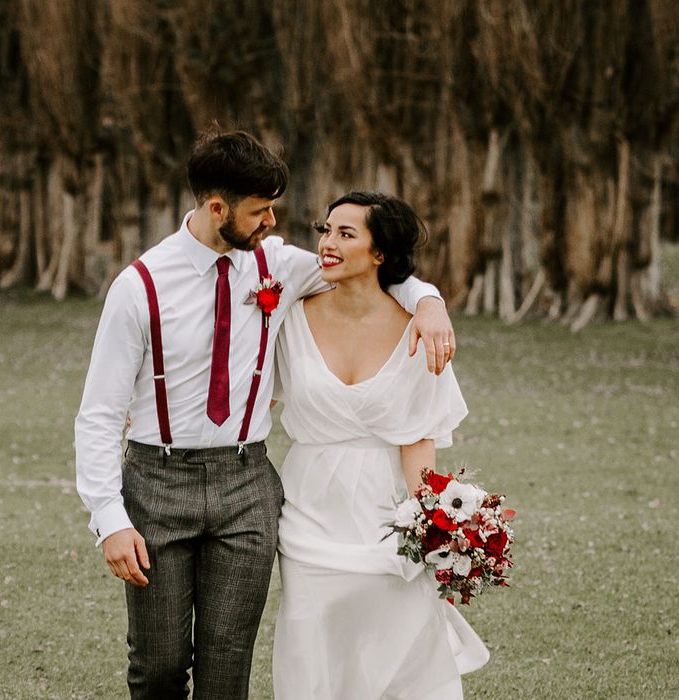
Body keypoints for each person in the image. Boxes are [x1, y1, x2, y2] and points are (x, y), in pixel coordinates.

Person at [74, 131, 456, 700]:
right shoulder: (139, 287)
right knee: (157, 666)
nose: (273, 223)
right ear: (217, 208)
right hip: (158, 482)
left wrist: (430, 303)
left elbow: (375, 267)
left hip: (247, 484)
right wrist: (109, 516)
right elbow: (100, 414)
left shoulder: (275, 264)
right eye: (260, 211)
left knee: (228, 668)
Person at [272, 191, 489, 699]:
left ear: (379, 253)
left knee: (397, 643)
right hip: (308, 508)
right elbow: (252, 398)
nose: (326, 243)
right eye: (325, 230)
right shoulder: (289, 317)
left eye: (346, 234)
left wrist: (431, 523)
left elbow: (417, 437)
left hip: (386, 512)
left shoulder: (420, 331)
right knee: (310, 640)